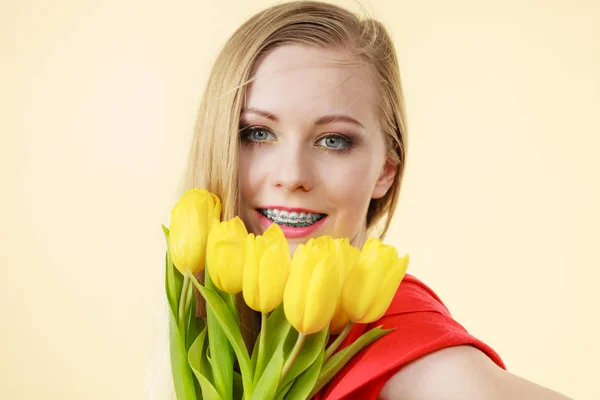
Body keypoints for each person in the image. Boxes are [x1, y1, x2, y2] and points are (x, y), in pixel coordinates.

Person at [178, 1, 571, 398]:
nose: (293, 176)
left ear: (385, 170)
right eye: (258, 134)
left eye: (333, 141)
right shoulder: (198, 317)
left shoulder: (391, 331)